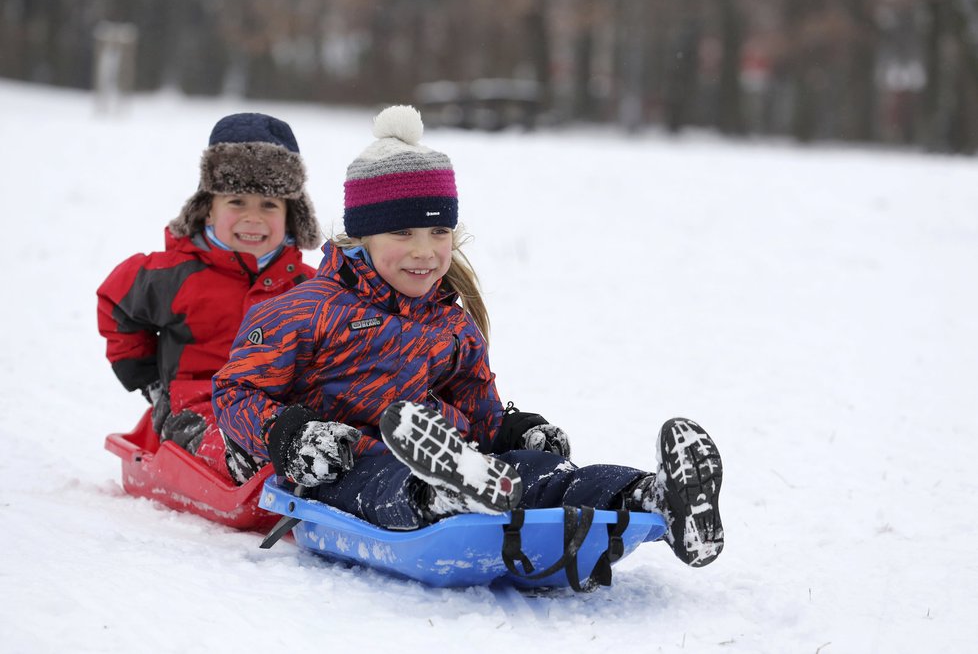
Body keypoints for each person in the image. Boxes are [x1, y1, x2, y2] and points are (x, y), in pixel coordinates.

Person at [213, 106, 724, 567]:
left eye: (439, 233)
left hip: (462, 459)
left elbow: (477, 407)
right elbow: (235, 391)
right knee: (383, 482)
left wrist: (512, 433)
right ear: (360, 236)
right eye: (403, 234)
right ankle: (443, 496)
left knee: (540, 473)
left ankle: (649, 498)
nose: (425, 251)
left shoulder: (450, 322)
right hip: (346, 470)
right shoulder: (305, 310)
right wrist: (291, 436)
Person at [97, 112, 321, 478]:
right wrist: (148, 378)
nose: (253, 218)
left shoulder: (307, 288)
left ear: (292, 216)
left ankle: (337, 467)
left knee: (318, 427)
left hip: (275, 409)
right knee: (217, 441)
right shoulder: (175, 272)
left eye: (269, 205)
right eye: (236, 202)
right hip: (196, 405)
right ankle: (245, 464)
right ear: (208, 209)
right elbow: (115, 301)